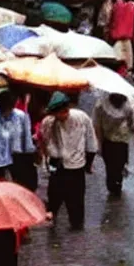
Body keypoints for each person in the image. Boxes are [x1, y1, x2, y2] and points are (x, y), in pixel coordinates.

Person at [41, 91, 97, 230]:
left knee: (76, 200)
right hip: (56, 164)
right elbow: (45, 141)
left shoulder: (81, 118)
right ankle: (53, 217)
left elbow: (91, 143)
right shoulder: (48, 122)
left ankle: (76, 225)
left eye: (63, 112)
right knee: (54, 196)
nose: (61, 116)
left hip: (76, 167)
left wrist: (88, 164)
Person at [0, 90, 36, 189]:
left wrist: (29, 155)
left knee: (18, 185)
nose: (6, 112)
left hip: (16, 156)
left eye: (9, 109)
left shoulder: (21, 117)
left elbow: (26, 138)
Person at [92, 93, 134, 197]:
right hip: (114, 140)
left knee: (113, 165)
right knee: (115, 164)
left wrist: (99, 143)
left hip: (114, 140)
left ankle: (115, 183)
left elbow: (97, 126)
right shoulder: (101, 105)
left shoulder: (101, 105)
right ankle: (116, 183)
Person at [109, 0, 134, 74]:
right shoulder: (133, 6)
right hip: (128, 37)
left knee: (117, 59)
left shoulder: (115, 7)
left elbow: (111, 20)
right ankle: (128, 72)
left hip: (116, 37)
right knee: (128, 59)